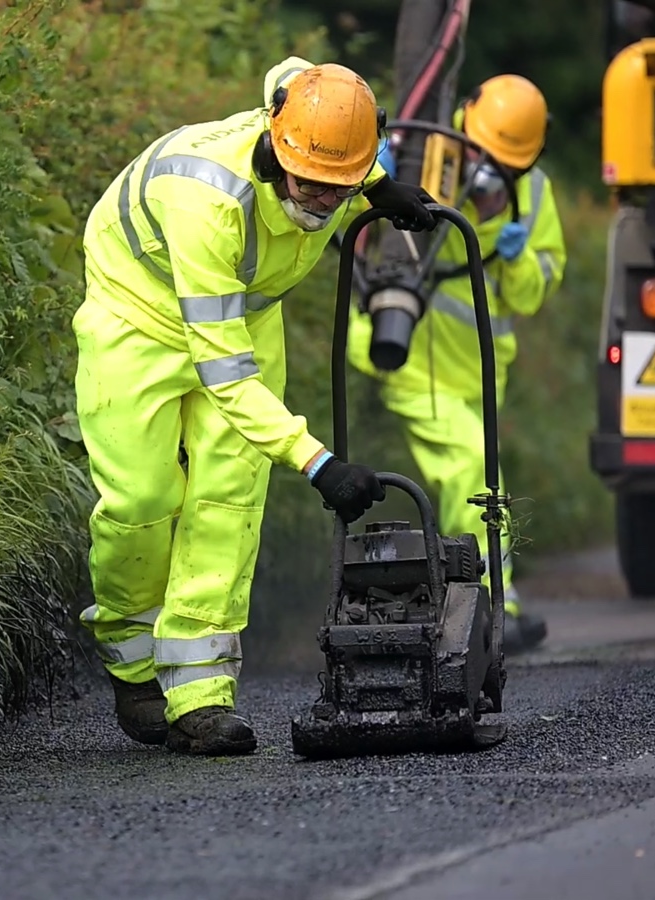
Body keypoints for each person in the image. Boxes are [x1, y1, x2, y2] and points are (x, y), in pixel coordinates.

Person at [71, 57, 440, 758]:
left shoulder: (327, 133)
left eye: (341, 190)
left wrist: (381, 191)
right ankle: (134, 669)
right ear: (276, 149)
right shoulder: (205, 201)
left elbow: (308, 83)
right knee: (140, 499)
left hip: (244, 315)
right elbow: (228, 378)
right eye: (311, 187)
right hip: (139, 314)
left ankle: (200, 698)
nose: (322, 205)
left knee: (227, 499)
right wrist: (318, 462)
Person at [347, 73, 566, 653]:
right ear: (465, 127)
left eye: (506, 163)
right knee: (470, 467)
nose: (490, 169)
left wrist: (506, 237)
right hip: (418, 366)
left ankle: (489, 600)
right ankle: (484, 608)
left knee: (482, 478)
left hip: (480, 374)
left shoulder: (534, 194)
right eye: (485, 153)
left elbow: (531, 292)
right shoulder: (429, 161)